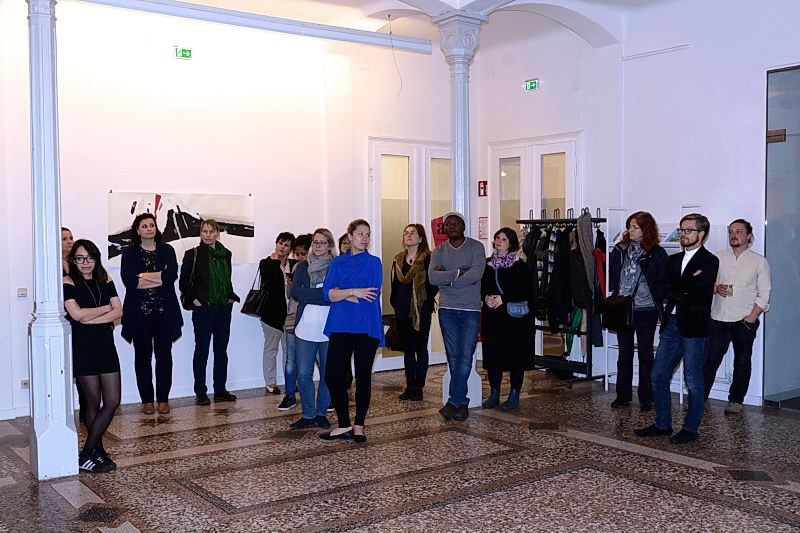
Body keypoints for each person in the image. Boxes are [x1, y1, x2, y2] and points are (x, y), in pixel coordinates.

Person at [635, 213, 718, 444]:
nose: (683, 234)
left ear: (701, 234)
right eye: (682, 230)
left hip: (695, 328)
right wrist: (685, 285)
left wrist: (678, 288)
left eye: (689, 230)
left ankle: (691, 428)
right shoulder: (672, 260)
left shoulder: (709, 261)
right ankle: (663, 424)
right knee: (658, 376)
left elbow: (698, 292)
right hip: (671, 325)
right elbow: (659, 289)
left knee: (693, 379)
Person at [320, 219, 384, 443]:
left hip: (366, 327)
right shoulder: (338, 262)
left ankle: (359, 426)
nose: (364, 238)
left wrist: (342, 292)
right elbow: (327, 294)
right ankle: (344, 424)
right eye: (360, 234)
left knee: (363, 377)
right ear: (350, 236)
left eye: (367, 234)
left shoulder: (374, 263)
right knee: (332, 376)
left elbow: (370, 297)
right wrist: (355, 291)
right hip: (341, 325)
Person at [63, 239, 123, 473]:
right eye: (80, 258)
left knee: (112, 401)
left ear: (96, 259)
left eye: (89, 258)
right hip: (83, 348)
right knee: (91, 401)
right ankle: (97, 452)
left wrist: (91, 318)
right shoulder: (68, 282)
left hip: (106, 346)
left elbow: (119, 310)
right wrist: (105, 309)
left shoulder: (105, 279)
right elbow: (76, 315)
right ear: (73, 260)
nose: (85, 262)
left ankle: (86, 453)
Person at [703, 219, 771, 413]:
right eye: (731, 232)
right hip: (718, 318)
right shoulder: (718, 258)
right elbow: (705, 284)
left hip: (744, 320)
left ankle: (736, 401)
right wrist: (716, 288)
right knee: (710, 360)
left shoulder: (759, 261)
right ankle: (700, 397)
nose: (734, 235)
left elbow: (765, 293)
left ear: (749, 236)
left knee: (742, 362)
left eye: (739, 231)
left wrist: (752, 317)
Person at [120, 214, 183, 415]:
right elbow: (130, 281)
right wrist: (159, 277)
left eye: (152, 225)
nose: (149, 228)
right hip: (139, 314)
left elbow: (171, 276)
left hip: (164, 313)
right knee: (142, 358)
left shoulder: (167, 250)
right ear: (137, 230)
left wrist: (143, 277)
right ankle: (147, 400)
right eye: (144, 226)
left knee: (164, 356)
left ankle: (163, 399)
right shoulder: (129, 253)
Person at [608, 211, 668, 412]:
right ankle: (623, 395)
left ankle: (647, 397)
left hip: (646, 309)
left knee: (645, 353)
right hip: (623, 307)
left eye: (635, 227)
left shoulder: (656, 253)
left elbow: (662, 280)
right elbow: (614, 275)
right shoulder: (620, 249)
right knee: (624, 354)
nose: (630, 230)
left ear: (646, 229)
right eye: (629, 226)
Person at [429, 211, 486, 421]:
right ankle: (460, 403)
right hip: (447, 309)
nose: (452, 226)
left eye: (456, 223)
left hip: (470, 309)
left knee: (465, 356)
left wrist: (448, 278)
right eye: (448, 224)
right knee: (453, 357)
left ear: (463, 226)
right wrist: (459, 273)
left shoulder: (476, 247)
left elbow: (476, 274)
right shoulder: (439, 250)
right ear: (444, 229)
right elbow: (433, 277)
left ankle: (455, 400)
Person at [179, 219, 240, 406]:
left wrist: (230, 297)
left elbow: (227, 279)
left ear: (217, 233)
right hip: (203, 309)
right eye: (204, 231)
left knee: (221, 350)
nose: (208, 235)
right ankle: (200, 391)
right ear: (200, 233)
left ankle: (220, 389)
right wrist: (196, 301)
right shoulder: (193, 254)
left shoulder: (226, 254)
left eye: (211, 231)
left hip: (223, 308)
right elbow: (184, 283)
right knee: (202, 351)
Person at [480, 227, 535, 411]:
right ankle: (494, 394)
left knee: (515, 357)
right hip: (493, 318)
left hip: (514, 320)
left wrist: (504, 298)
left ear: (511, 243)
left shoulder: (520, 266)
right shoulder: (487, 264)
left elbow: (527, 290)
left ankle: (514, 396)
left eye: (504, 239)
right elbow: (480, 286)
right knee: (493, 356)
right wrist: (485, 298)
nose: (499, 241)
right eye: (497, 238)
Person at [289, 228, 336, 429]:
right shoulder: (302, 266)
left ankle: (321, 413)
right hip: (305, 327)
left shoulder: (336, 266)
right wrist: (323, 295)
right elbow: (295, 292)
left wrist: (315, 295)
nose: (317, 246)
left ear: (330, 245)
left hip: (329, 328)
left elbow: (335, 296)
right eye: (315, 242)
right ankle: (308, 415)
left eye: (322, 242)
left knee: (327, 374)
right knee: (304, 374)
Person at [390, 224, 437, 401]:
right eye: (406, 233)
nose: (408, 236)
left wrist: (423, 303)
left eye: (413, 233)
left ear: (421, 238)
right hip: (402, 311)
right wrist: (396, 304)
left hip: (421, 311)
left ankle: (419, 387)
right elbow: (395, 285)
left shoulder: (429, 259)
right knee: (408, 350)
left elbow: (433, 285)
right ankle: (410, 386)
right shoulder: (398, 259)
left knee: (421, 349)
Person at [277, 233, 312, 410]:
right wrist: (290, 285)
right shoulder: (296, 267)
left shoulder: (321, 267)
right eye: (297, 254)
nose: (299, 257)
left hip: (312, 317)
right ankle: (290, 395)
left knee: (318, 359)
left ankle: (326, 397)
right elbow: (291, 295)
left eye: (303, 254)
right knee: (291, 359)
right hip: (292, 316)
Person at [258, 232, 295, 397]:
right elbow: (269, 281)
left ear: (290, 249)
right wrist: (276, 262)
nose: (282, 247)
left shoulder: (293, 264)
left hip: (291, 314)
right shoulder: (266, 263)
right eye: (281, 243)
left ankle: (290, 380)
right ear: (276, 244)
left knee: (289, 351)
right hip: (271, 314)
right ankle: (270, 382)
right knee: (271, 348)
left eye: (286, 245)